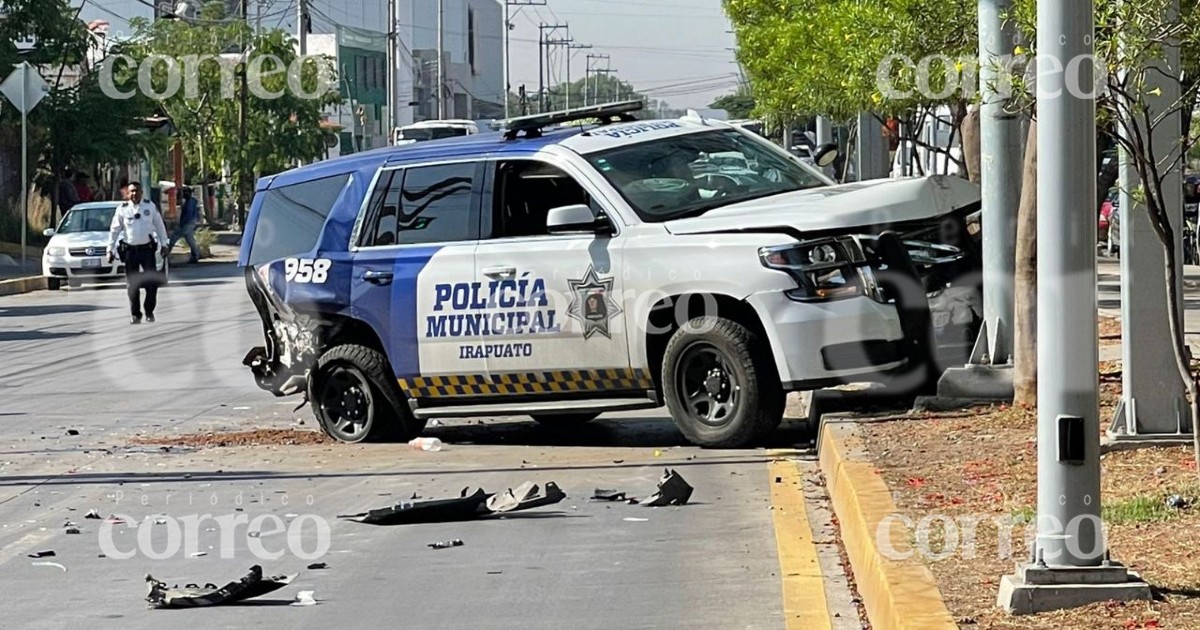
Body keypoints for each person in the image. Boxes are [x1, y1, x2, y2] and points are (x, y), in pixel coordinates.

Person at [106, 182, 170, 324]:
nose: (134, 194)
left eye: (137, 191)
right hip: (130, 251)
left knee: (152, 283)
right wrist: (110, 249)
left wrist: (164, 244)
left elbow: (159, 226)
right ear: (128, 194)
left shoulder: (150, 206)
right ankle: (136, 314)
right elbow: (114, 230)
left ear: (142, 192)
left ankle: (149, 311)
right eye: (132, 191)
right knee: (132, 285)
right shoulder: (122, 210)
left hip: (147, 250)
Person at [168, 186, 201, 264]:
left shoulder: (190, 202)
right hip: (190, 223)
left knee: (173, 237)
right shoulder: (191, 201)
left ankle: (165, 255)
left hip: (187, 224)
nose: (183, 194)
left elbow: (188, 215)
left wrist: (182, 225)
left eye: (184, 192)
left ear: (188, 193)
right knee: (190, 241)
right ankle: (195, 256)